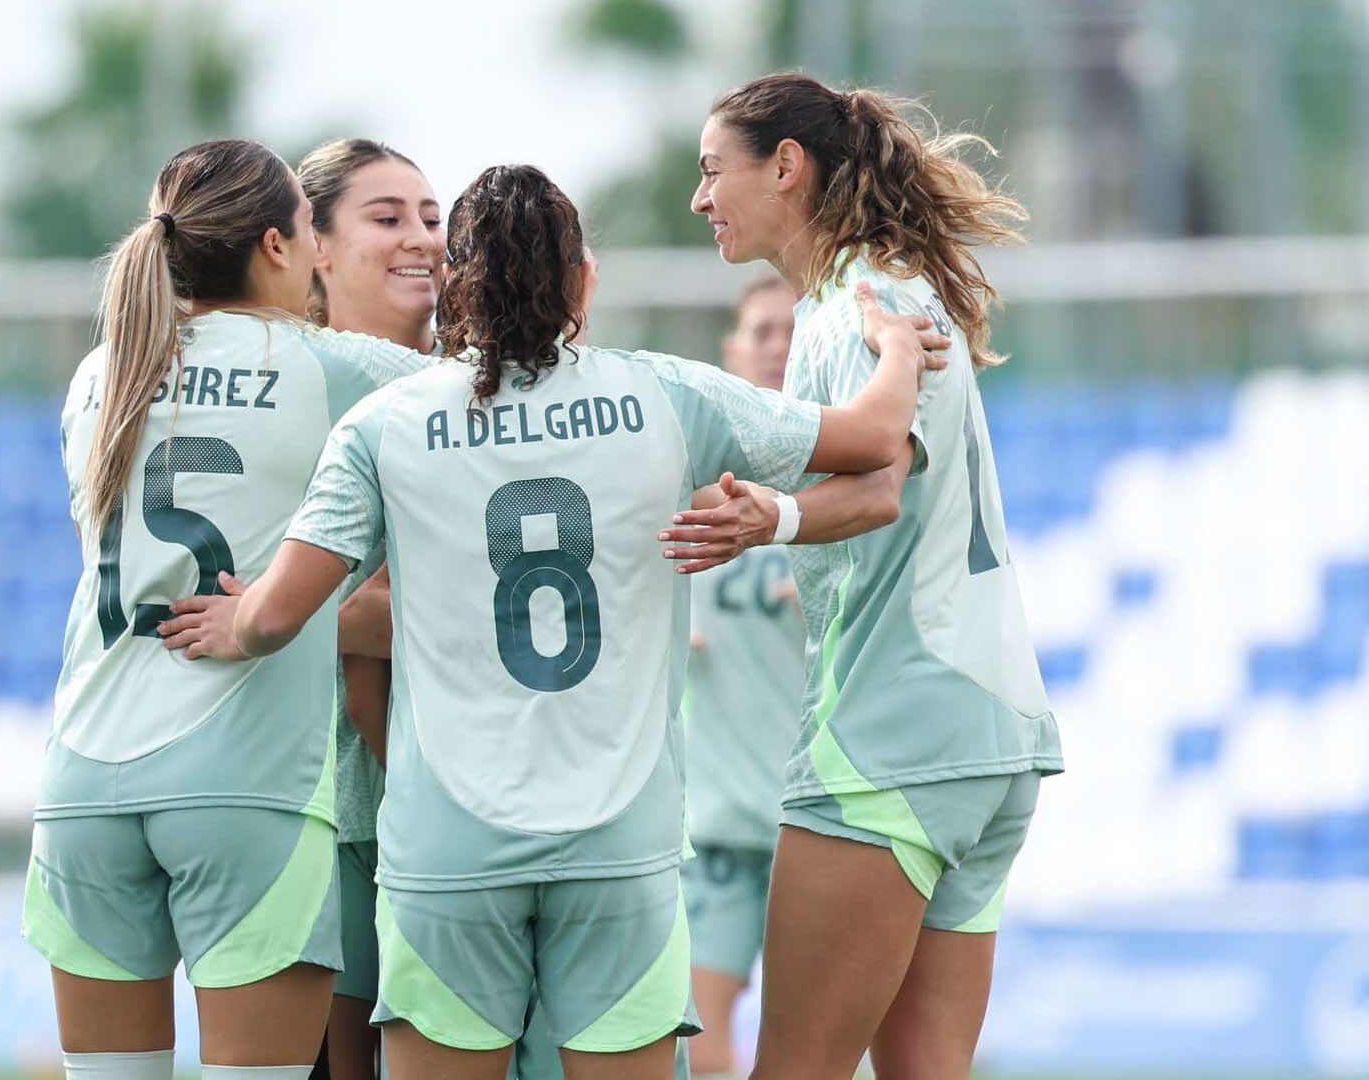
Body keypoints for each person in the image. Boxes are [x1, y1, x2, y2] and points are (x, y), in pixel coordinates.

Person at [165, 163, 946, 1080]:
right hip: (618, 845)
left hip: (447, 851)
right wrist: (895, 351)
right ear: (580, 278)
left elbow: (282, 616)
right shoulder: (667, 396)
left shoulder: (385, 422)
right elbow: (872, 439)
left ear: (456, 281)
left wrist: (231, 623)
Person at [673, 73, 1066, 1080]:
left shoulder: (848, 309)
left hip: (889, 742)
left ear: (787, 167)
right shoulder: (901, 293)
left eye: (715, 170)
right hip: (996, 738)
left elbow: (879, 485)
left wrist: (775, 517)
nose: (701, 197)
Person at [21, 138, 436, 1080]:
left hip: (82, 785)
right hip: (242, 788)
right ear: (282, 246)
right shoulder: (331, 367)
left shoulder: (100, 371)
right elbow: (498, 392)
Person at [296, 135, 442, 1080]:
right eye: (386, 219)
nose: (421, 239)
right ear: (309, 245)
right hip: (325, 816)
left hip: (484, 825)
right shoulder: (286, 394)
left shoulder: (498, 388)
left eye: (433, 219)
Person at [679, 277, 803, 1080]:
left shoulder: (857, 487)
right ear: (731, 350)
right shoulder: (686, 483)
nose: (776, 344)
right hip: (718, 818)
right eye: (760, 329)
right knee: (702, 1031)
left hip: (815, 815)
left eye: (793, 330)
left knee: (819, 1043)